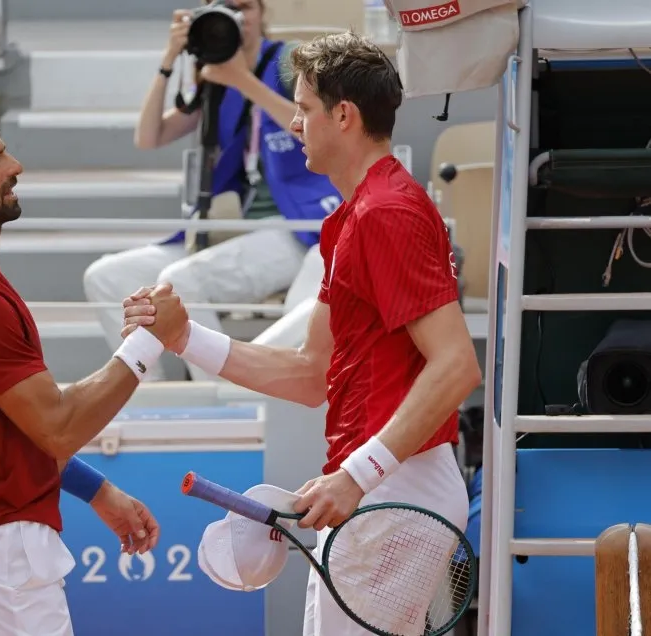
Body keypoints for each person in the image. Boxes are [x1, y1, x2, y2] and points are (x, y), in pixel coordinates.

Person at [121, 32, 482, 636]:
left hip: (397, 485)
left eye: (304, 108)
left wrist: (357, 474)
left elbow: (456, 367)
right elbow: (311, 373)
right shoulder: (353, 218)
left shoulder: (385, 211)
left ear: (344, 115)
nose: (292, 122)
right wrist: (182, 338)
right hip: (387, 481)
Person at [0, 102, 188, 636]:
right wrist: (150, 342)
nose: (16, 166)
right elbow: (57, 426)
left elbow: (22, 428)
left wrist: (98, 491)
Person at [82, 0, 342, 380]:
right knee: (106, 276)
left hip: (299, 224)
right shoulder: (215, 75)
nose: (237, 18)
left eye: (245, 7)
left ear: (262, 12)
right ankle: (146, 394)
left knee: (182, 280)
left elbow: (320, 131)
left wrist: (243, 79)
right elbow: (148, 136)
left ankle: (227, 400)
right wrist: (170, 59)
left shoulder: (288, 62)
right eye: (225, 8)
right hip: (237, 229)